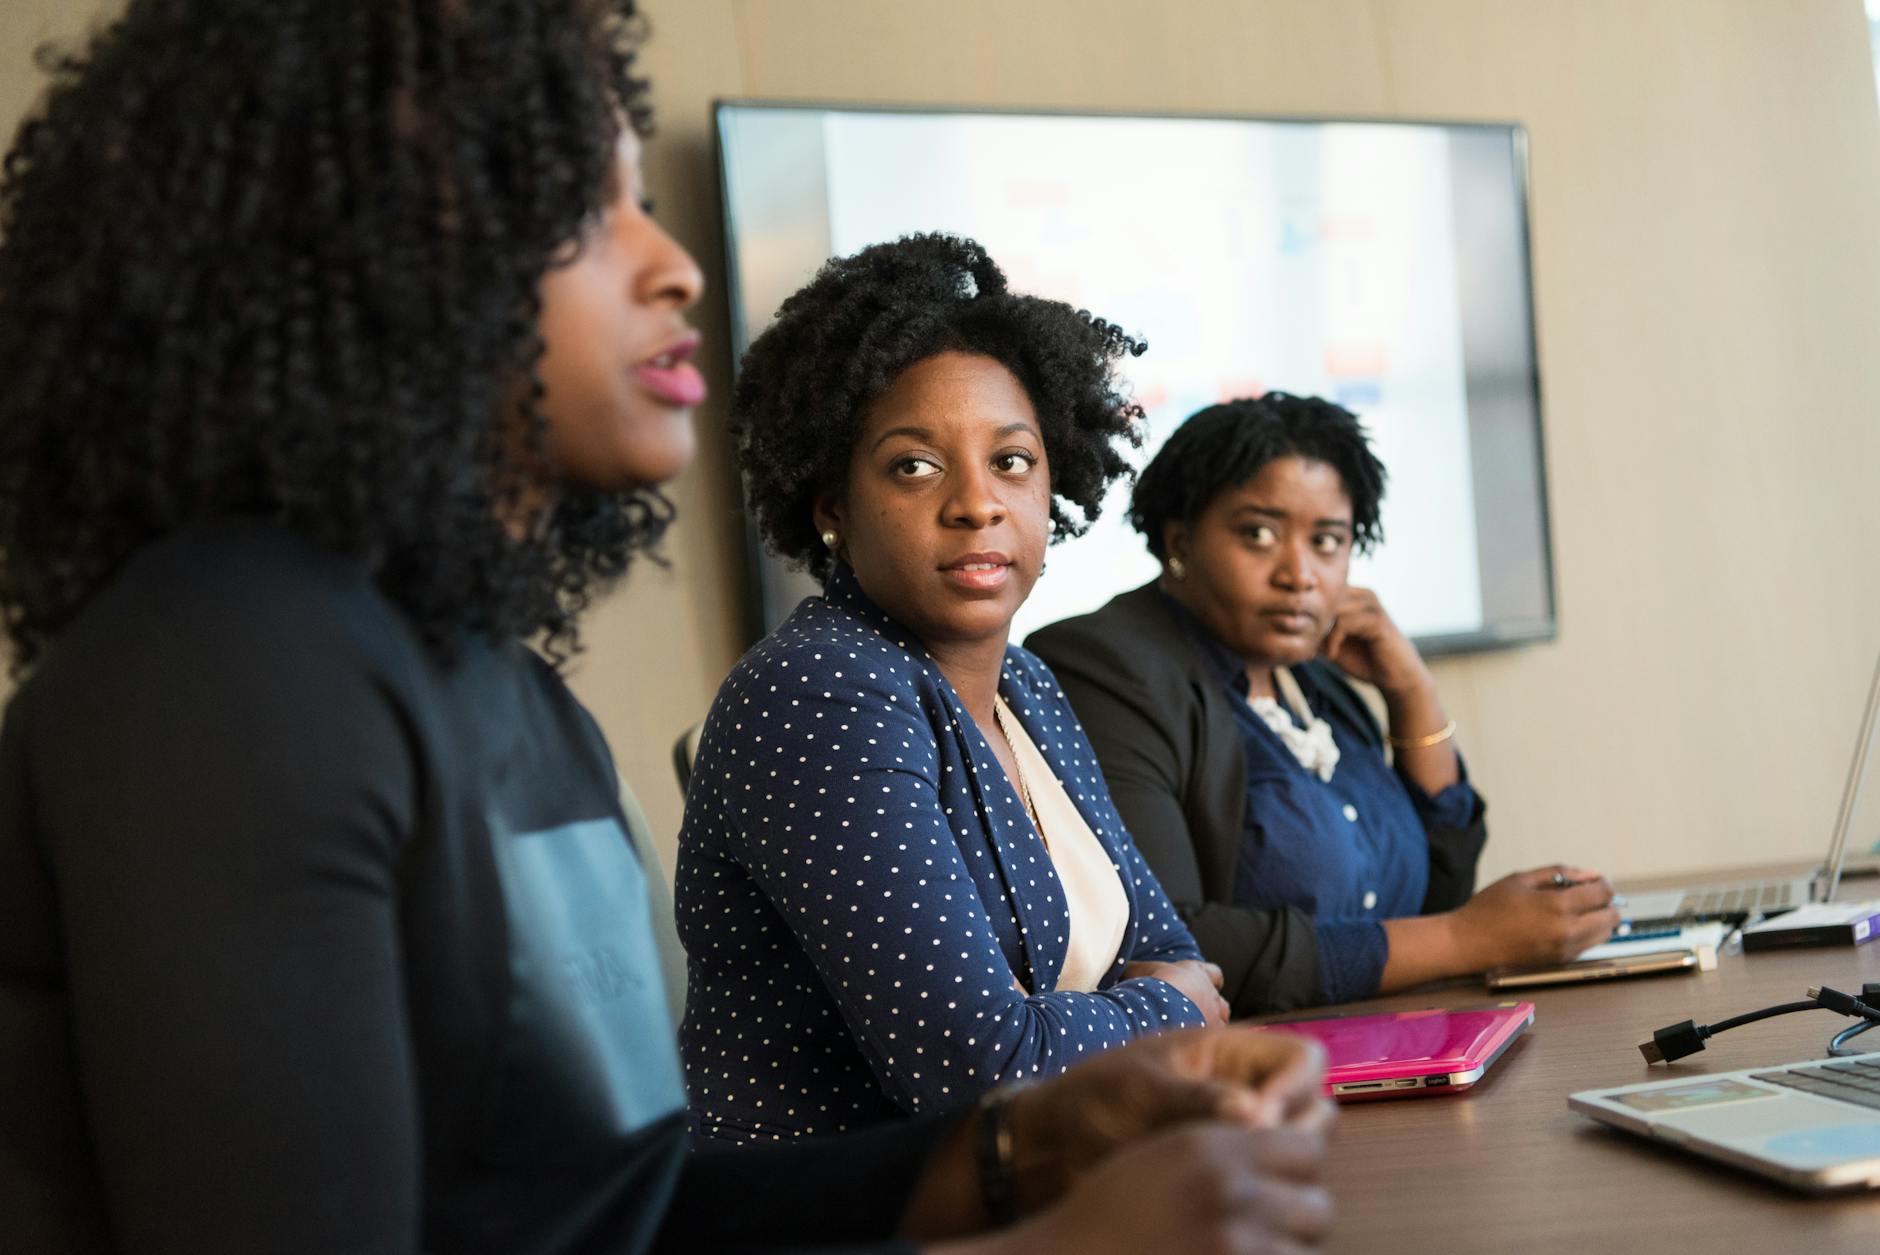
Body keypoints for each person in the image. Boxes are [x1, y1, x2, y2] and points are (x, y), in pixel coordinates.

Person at [0, 4, 1336, 1252]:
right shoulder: (226, 664)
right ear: (349, 258)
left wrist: (1012, 1150)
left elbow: (612, 1207)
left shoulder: (515, 696)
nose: (675, 265)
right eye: (585, 208)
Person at [676, 234, 1233, 1145]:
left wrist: (1098, 1010)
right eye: (915, 464)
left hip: (1053, 1189)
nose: (978, 503)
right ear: (831, 508)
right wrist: (1152, 1013)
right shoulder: (818, 691)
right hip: (854, 1221)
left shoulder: (1028, 684)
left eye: (1011, 461)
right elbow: (978, 1070)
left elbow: (1171, 952)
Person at [1027, 394, 1620, 1016]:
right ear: (1180, 540)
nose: (1300, 574)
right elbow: (1169, 942)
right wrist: (1462, 940)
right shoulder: (1105, 666)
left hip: (1396, 1044)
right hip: (1253, 1079)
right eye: (1258, 534)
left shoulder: (1315, 679)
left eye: (1328, 540)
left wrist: (1411, 692)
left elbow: (1436, 892)